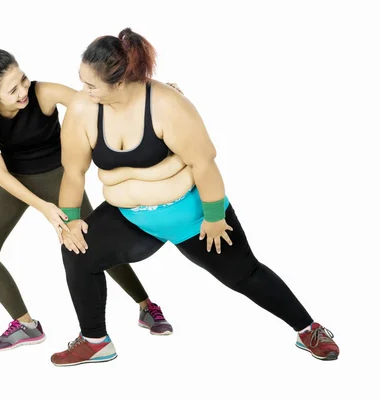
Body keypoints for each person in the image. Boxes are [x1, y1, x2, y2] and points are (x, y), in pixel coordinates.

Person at [51, 28, 339, 366]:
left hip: (193, 216)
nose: (83, 91)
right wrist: (69, 222)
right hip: (132, 218)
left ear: (119, 81)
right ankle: (95, 341)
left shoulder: (165, 104)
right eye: (81, 82)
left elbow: (204, 164)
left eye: (90, 85)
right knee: (76, 251)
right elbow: (73, 173)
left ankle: (308, 330)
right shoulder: (84, 110)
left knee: (244, 275)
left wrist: (215, 218)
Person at [0, 49, 183, 352]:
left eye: (22, 79)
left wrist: (152, 100)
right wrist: (45, 208)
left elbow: (99, 104)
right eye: (13, 89)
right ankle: (26, 325)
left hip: (60, 177)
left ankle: (146, 306)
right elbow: (1, 175)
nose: (24, 90)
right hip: (17, 183)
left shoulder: (44, 93)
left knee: (92, 243)